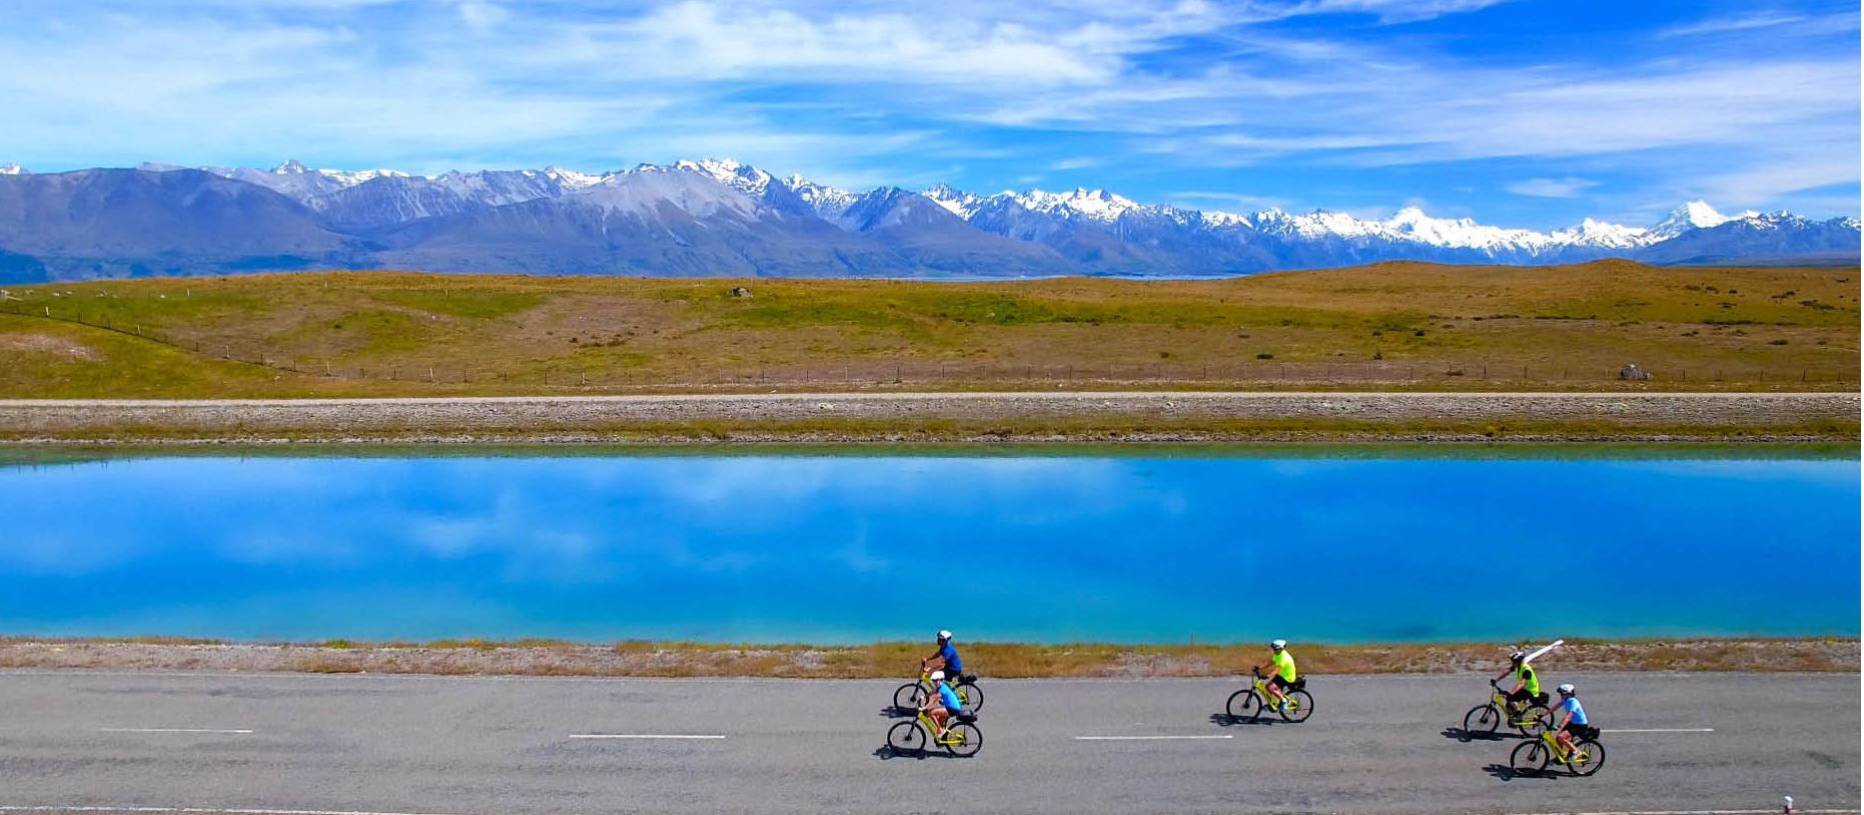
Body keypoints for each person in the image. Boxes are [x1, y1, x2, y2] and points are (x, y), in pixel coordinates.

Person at [1552, 683, 1599, 759]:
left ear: (1568, 694)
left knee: (1561, 737)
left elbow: (1568, 716)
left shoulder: (1573, 702)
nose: (1560, 695)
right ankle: (1561, 756)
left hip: (1580, 725)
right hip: (1573, 723)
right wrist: (1543, 715)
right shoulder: (1565, 700)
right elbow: (1555, 707)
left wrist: (1560, 725)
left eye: (1561, 693)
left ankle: (1576, 752)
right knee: (1558, 739)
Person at [919, 670, 965, 740]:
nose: (934, 682)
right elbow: (933, 691)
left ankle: (941, 730)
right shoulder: (942, 685)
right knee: (939, 720)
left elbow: (934, 700)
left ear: (940, 680)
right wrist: (924, 696)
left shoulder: (942, 689)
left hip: (952, 709)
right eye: (933, 680)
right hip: (952, 707)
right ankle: (942, 737)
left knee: (930, 713)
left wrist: (924, 707)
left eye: (935, 680)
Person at [1259, 639, 1297, 713]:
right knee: (1268, 687)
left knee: (1270, 687)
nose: (1274, 650)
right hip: (1282, 675)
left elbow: (1277, 670)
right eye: (1273, 648)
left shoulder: (1284, 658)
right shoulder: (1277, 654)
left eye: (1275, 649)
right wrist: (1260, 668)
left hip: (1287, 677)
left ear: (1281, 648)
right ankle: (1274, 703)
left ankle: (1284, 701)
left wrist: (1268, 676)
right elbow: (1272, 662)